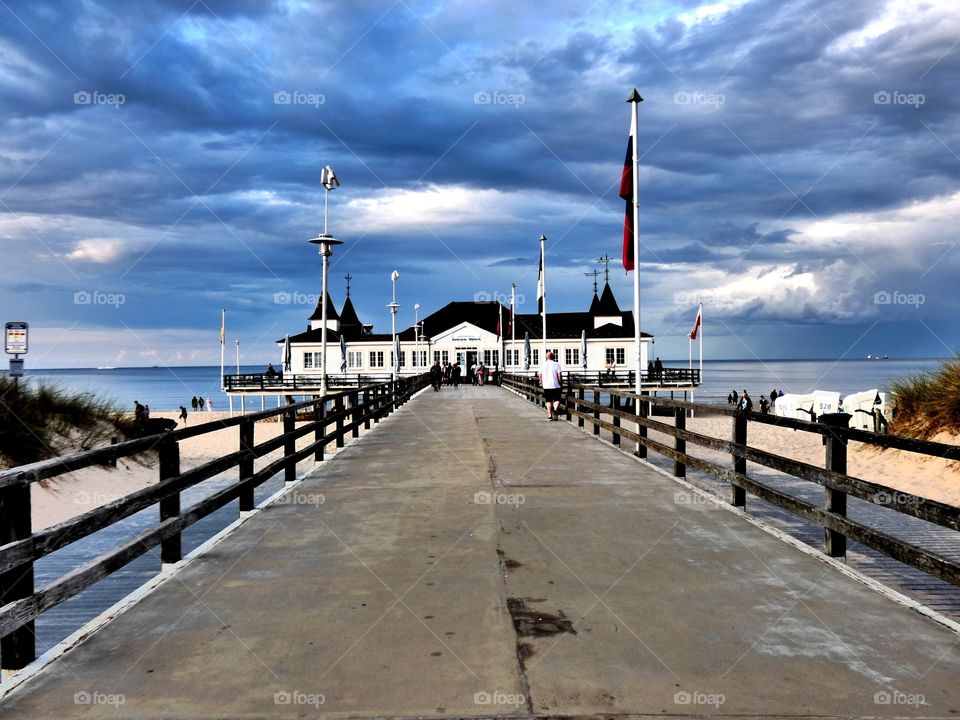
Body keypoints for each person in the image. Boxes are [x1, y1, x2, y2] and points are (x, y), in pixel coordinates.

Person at [538, 351, 563, 421]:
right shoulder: (556, 364)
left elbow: (540, 375)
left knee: (548, 400)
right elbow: (559, 375)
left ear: (546, 357)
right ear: (553, 357)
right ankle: (555, 409)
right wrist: (560, 383)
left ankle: (550, 416)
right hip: (555, 385)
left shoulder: (543, 364)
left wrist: (541, 382)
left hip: (546, 385)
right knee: (557, 399)